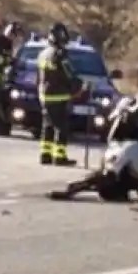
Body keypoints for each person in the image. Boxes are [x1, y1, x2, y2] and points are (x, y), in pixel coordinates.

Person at [37, 22, 80, 167]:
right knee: (61, 127)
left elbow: (38, 76)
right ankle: (59, 157)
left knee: (47, 125)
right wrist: (80, 85)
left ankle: (45, 155)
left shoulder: (43, 54)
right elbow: (69, 74)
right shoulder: (60, 54)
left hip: (44, 95)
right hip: (59, 95)